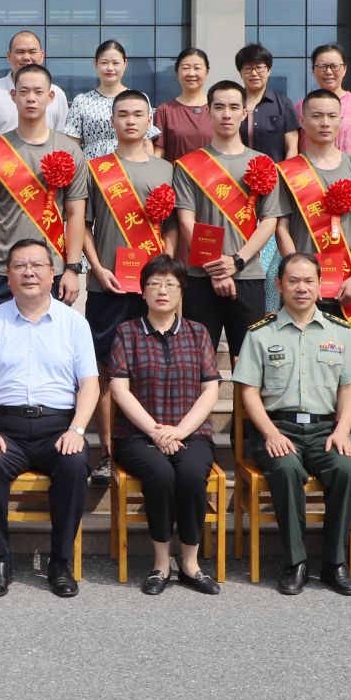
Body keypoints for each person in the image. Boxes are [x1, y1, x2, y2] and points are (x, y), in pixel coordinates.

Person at [0, 239, 99, 599]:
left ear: (52, 274)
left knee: (74, 464)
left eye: (37, 265)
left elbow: (89, 384)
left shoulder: (73, 323)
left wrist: (77, 429)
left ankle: (60, 561)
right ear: (8, 276)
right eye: (20, 266)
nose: (29, 272)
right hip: (5, 429)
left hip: (58, 428)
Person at [231, 252, 351, 596]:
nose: (301, 288)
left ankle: (334, 563)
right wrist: (270, 433)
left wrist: (343, 430)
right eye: (293, 281)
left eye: (308, 281)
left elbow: (350, 387)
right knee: (287, 469)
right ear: (279, 285)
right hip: (279, 428)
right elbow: (248, 391)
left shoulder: (340, 332)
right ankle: (296, 562)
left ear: (320, 285)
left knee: (347, 471)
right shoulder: (260, 334)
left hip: (325, 430)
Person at [80, 87, 178, 484]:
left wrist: (164, 270)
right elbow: (83, 225)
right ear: (112, 121)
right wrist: (97, 267)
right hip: (107, 286)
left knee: (152, 368)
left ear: (149, 121)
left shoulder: (167, 170)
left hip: (153, 289)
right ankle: (107, 452)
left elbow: (171, 228)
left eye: (138, 114)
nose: (131, 121)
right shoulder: (95, 168)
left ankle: (154, 441)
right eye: (123, 114)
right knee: (105, 370)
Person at [109, 253, 221, 596]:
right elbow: (119, 390)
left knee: (190, 475)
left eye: (171, 284)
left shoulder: (197, 332)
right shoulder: (127, 333)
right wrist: (156, 432)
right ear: (142, 291)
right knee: (160, 475)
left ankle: (190, 564)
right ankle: (161, 564)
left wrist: (180, 431)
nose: (162, 291)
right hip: (138, 436)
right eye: (154, 284)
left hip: (191, 434)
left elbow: (210, 389)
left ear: (182, 292)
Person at [173, 80, 287, 356]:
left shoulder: (263, 164)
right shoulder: (188, 165)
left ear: (244, 113)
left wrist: (236, 261)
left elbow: (269, 221)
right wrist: (216, 269)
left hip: (248, 274)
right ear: (208, 111)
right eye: (219, 107)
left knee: (250, 361)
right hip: (200, 276)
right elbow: (186, 221)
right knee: (198, 360)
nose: (227, 114)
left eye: (234, 107)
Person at [0, 63, 91, 312]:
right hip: (0, 268)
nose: (31, 98)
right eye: (23, 92)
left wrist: (72, 268)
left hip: (51, 268)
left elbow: (76, 214)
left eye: (38, 92)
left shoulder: (70, 150)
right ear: (13, 96)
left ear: (50, 97)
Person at [276, 88, 351, 327]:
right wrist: (297, 275)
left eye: (332, 116)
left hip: (346, 281)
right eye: (317, 116)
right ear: (302, 120)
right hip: (302, 285)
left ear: (341, 120)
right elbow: (281, 227)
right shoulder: (287, 170)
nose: (325, 123)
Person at [0, 30, 70, 148]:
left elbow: (62, 139)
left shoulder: (57, 93)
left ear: (42, 55)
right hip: (0, 159)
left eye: (32, 52)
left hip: (44, 159)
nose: (26, 57)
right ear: (9, 56)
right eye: (20, 52)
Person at [62, 39, 160, 159]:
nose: (110, 68)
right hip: (92, 167)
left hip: (130, 166)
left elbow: (146, 143)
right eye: (104, 63)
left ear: (125, 64)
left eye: (115, 63)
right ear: (95, 64)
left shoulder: (139, 99)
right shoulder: (81, 101)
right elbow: (72, 145)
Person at [297, 43, 351, 163]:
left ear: (344, 69)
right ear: (313, 70)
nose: (328, 71)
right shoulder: (302, 106)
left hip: (348, 173)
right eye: (322, 66)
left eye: (334, 66)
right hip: (310, 172)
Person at [235, 43, 300, 163]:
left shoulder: (283, 104)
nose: (254, 73)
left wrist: (283, 173)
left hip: (274, 173)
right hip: (237, 172)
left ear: (269, 70)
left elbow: (292, 149)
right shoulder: (233, 104)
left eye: (259, 67)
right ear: (241, 73)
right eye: (248, 68)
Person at [154, 47, 214, 162]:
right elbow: (158, 153)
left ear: (207, 72)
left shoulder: (218, 108)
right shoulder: (164, 111)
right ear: (177, 72)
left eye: (197, 68)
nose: (191, 73)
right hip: (177, 173)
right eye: (186, 68)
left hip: (215, 173)